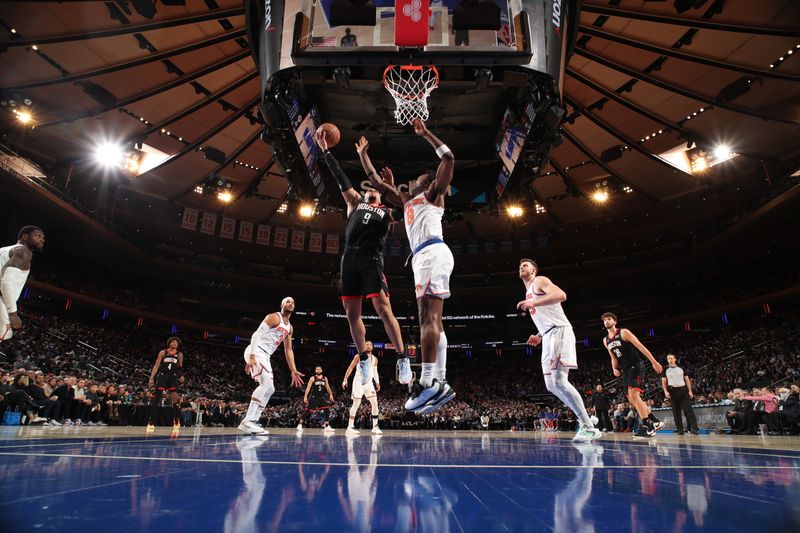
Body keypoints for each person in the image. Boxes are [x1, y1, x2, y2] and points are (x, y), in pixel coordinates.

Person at [359, 118, 456, 414]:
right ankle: (439, 382)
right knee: (433, 320)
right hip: (425, 258)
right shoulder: (407, 200)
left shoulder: (432, 195)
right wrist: (364, 155)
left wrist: (425, 132)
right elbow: (378, 184)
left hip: (431, 253)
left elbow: (449, 158)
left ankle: (427, 382)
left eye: (417, 179)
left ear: (426, 184)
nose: (412, 181)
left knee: (428, 318)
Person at [315, 130, 409, 387]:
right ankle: (363, 358)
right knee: (351, 314)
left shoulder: (386, 212)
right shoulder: (354, 201)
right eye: (370, 191)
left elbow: (404, 208)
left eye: (375, 192)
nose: (371, 193)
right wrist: (326, 151)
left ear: (379, 196)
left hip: (371, 260)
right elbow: (339, 176)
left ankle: (402, 357)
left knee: (383, 309)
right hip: (349, 261)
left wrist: (389, 185)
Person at [517, 259, 601, 442]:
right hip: (547, 335)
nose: (521, 266)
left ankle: (588, 426)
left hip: (559, 331)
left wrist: (533, 303)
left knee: (560, 381)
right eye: (520, 266)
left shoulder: (539, 281)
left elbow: (561, 295)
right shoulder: (528, 291)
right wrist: (539, 335)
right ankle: (587, 419)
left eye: (526, 265)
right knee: (551, 385)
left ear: (534, 270)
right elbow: (547, 314)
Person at [239, 297, 305, 436]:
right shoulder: (274, 317)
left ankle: (254, 421)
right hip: (256, 351)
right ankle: (248, 421)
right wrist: (252, 356)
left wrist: (293, 370)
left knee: (270, 389)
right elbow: (256, 334)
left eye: (293, 302)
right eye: (287, 301)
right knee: (266, 384)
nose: (290, 303)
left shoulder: (289, 328)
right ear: (281, 305)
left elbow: (288, 350)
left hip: (265, 355)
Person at [601, 312, 664, 437]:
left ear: (615, 321)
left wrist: (653, 361)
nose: (607, 321)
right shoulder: (605, 340)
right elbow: (613, 356)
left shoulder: (623, 332)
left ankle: (648, 425)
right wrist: (614, 368)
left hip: (636, 365)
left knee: (634, 395)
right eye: (605, 320)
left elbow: (640, 346)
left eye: (609, 319)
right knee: (632, 399)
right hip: (625, 370)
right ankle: (655, 421)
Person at [1, 226, 45, 341]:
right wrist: (12, 313)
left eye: (43, 237)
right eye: (38, 236)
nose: (42, 239)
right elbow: (6, 283)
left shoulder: (4, 249)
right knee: (6, 333)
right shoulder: (24, 252)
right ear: (25, 236)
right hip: (1, 302)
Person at [342, 340, 382, 435]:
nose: (368, 346)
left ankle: (375, 427)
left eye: (370, 344)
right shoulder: (358, 356)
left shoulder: (375, 359)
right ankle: (350, 427)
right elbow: (351, 367)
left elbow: (375, 371)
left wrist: (377, 382)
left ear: (372, 347)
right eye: (366, 344)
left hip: (369, 383)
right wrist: (345, 379)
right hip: (358, 381)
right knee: (356, 403)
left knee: (375, 403)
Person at [146, 337, 185, 430]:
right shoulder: (163, 353)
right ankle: (151, 421)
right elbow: (156, 365)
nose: (175, 343)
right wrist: (152, 378)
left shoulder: (179, 354)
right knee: (157, 399)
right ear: (169, 343)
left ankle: (176, 419)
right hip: (162, 377)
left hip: (173, 378)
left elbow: (180, 367)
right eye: (173, 342)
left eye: (176, 343)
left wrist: (181, 376)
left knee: (174, 399)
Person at [661, 354, 699, 435]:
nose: (669, 360)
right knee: (676, 411)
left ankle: (694, 428)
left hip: (683, 390)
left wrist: (690, 390)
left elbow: (687, 379)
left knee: (689, 410)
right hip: (672, 391)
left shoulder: (681, 368)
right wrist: (665, 391)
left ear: (675, 359)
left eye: (671, 358)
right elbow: (663, 381)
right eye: (668, 358)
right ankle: (680, 430)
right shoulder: (665, 369)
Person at [297, 366, 335, 433]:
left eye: (319, 369)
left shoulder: (325, 378)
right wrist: (305, 396)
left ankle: (326, 426)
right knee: (308, 411)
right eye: (317, 369)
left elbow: (328, 387)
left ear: (321, 370)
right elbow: (308, 388)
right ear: (315, 371)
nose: (318, 370)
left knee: (327, 409)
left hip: (321, 397)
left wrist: (331, 395)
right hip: (314, 397)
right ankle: (299, 425)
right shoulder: (312, 378)